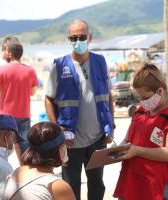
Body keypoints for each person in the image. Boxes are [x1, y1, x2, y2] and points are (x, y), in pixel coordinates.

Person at [44, 19, 114, 200]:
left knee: (97, 185)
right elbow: (49, 99)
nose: (78, 41)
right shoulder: (59, 66)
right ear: (69, 38)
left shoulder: (100, 62)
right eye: (73, 37)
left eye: (82, 37)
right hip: (70, 141)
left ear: (89, 37)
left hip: (97, 139)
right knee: (70, 186)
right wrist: (56, 129)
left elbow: (108, 96)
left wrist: (110, 126)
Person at [113, 63, 168, 200]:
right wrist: (116, 150)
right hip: (133, 183)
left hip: (160, 188)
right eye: (139, 98)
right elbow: (128, 139)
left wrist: (137, 150)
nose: (142, 102)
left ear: (160, 91)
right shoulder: (141, 111)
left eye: (145, 97)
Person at [4, 122, 75, 200]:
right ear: (57, 149)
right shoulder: (58, 186)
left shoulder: (17, 173)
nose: (66, 148)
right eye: (64, 144)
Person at [0, 38, 39, 156]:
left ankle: (2, 171)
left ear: (10, 53)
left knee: (3, 147)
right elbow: (33, 92)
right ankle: (25, 171)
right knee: (24, 147)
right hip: (24, 114)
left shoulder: (2, 69)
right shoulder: (30, 70)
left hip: (5, 114)